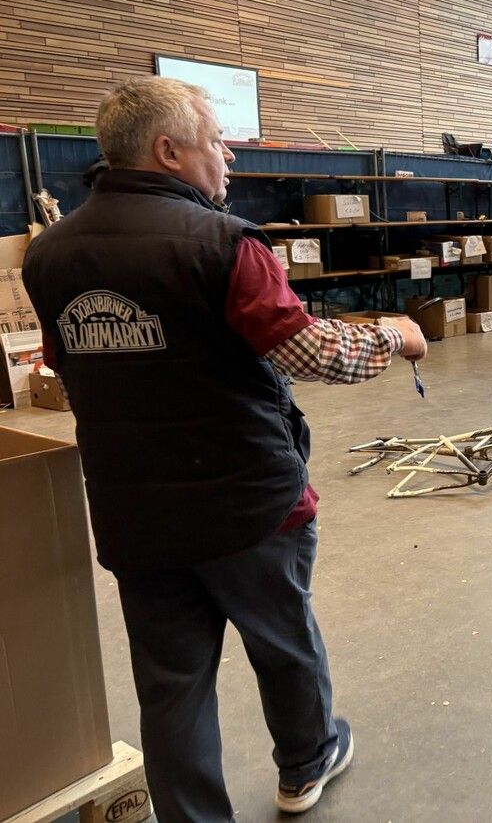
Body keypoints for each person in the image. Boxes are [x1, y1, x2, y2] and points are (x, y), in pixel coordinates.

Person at [22, 77, 428, 823]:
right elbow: (315, 356)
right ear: (169, 151)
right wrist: (393, 336)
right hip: (248, 504)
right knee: (284, 641)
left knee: (172, 686)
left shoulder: (49, 256)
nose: (230, 154)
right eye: (216, 139)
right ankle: (305, 764)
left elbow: (67, 370)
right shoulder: (222, 245)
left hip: (133, 510)